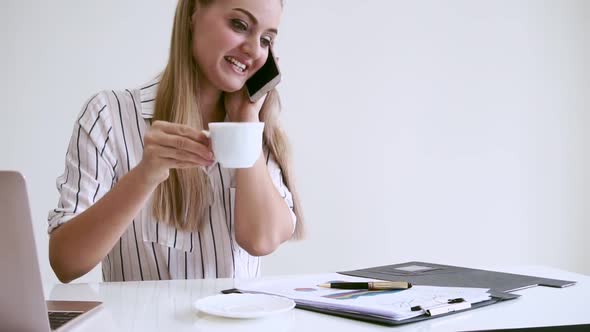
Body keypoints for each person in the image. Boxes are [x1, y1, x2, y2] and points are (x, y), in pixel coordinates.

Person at [47, 0, 303, 283]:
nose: (255, 50)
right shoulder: (109, 115)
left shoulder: (257, 128)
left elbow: (260, 240)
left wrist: (246, 119)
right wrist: (145, 175)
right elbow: (66, 263)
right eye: (239, 25)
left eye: (266, 40)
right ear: (194, 14)